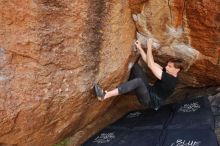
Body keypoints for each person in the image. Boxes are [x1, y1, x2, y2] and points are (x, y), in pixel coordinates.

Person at [94, 39, 184, 110]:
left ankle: (105, 95)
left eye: (170, 66)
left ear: (177, 70)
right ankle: (127, 89)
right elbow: (148, 61)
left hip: (150, 100)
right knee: (135, 67)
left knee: (139, 81)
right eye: (167, 65)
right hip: (149, 89)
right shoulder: (167, 71)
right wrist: (140, 48)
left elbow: (151, 65)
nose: (166, 67)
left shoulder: (170, 81)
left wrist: (149, 47)